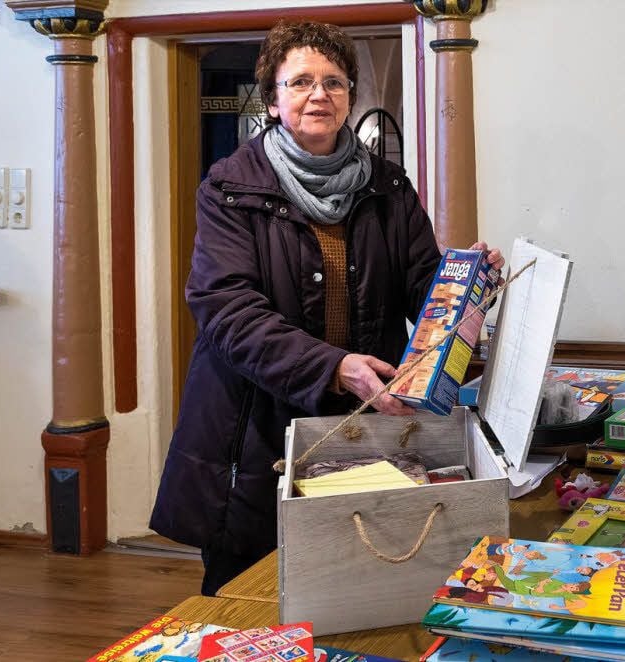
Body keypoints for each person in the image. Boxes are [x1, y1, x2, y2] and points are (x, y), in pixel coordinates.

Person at [149, 20, 504, 597]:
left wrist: (468, 288)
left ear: (349, 96)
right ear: (272, 97)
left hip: (365, 428)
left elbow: (423, 285)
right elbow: (226, 310)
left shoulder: (388, 185)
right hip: (255, 432)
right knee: (249, 599)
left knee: (359, 589)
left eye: (335, 82)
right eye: (301, 82)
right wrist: (334, 368)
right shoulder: (229, 186)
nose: (319, 94)